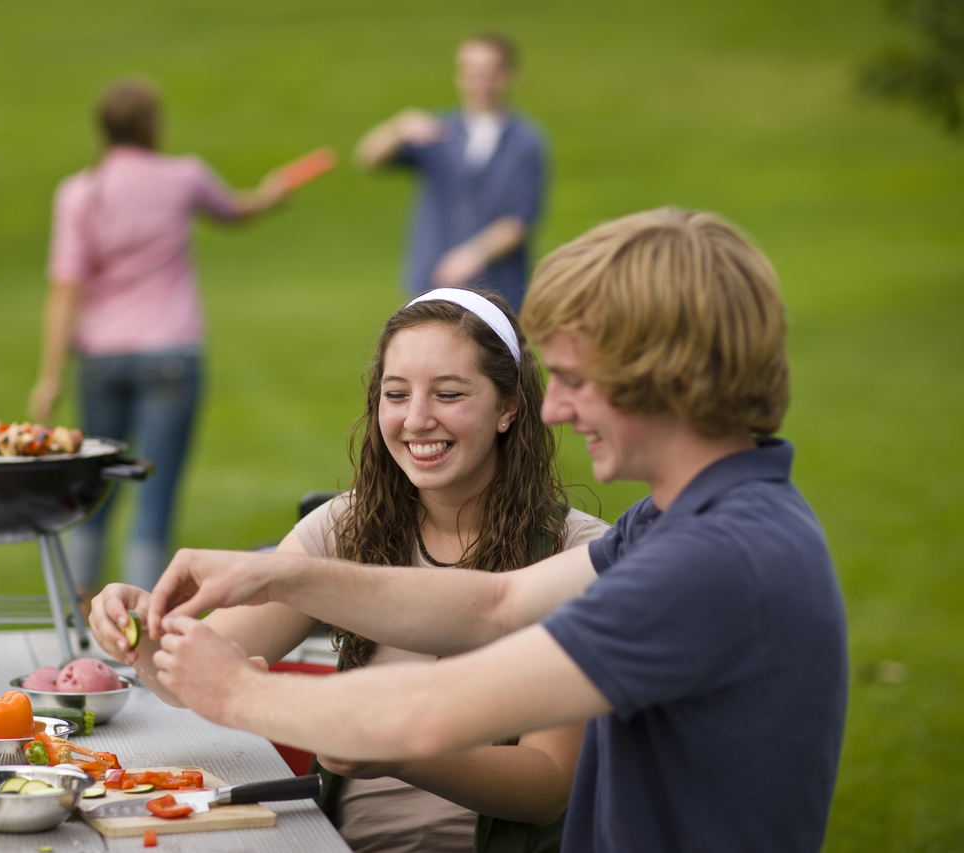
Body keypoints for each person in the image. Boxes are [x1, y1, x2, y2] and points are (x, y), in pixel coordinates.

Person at [136, 208, 849, 853]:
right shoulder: (680, 519)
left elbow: (432, 717)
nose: (554, 409)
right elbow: (496, 604)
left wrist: (239, 694)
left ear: (664, 375)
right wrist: (281, 572)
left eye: (574, 377)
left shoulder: (713, 561)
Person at [91, 287, 609, 853]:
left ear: (508, 407)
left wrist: (395, 745)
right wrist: (140, 629)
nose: (416, 420)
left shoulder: (575, 553)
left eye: (450, 394)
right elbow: (188, 676)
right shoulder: (346, 526)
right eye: (395, 393)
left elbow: (547, 786)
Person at [28, 78, 287, 596]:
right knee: (154, 494)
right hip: (171, 355)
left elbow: (65, 289)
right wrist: (272, 195)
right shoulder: (182, 177)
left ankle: (76, 613)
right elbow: (236, 211)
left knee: (92, 489)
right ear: (151, 124)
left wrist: (49, 377)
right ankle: (138, 627)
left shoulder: (79, 193)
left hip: (101, 360)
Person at [354, 32, 547, 313]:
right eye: (472, 72)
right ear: (460, 76)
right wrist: (399, 126)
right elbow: (368, 158)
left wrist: (473, 253)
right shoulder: (437, 132)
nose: (480, 81)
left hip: (496, 292)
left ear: (507, 76)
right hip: (432, 286)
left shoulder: (526, 143)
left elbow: (518, 222)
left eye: (489, 72)